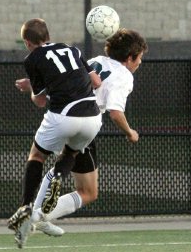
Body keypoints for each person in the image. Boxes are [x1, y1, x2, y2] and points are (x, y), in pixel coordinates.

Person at [37, 29, 147, 235]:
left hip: (62, 114)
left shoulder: (96, 60)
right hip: (84, 121)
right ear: (130, 57)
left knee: (78, 181)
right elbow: (115, 112)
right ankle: (38, 215)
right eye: (139, 58)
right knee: (87, 191)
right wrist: (129, 132)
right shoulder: (123, 75)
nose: (140, 63)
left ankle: (39, 215)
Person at [7, 19, 102, 248]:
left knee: (37, 156)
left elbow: (40, 101)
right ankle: (58, 176)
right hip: (92, 117)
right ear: (48, 35)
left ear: (27, 43)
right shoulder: (73, 49)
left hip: (63, 115)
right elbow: (96, 82)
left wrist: (30, 88)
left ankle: (25, 207)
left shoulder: (33, 58)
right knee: (70, 153)